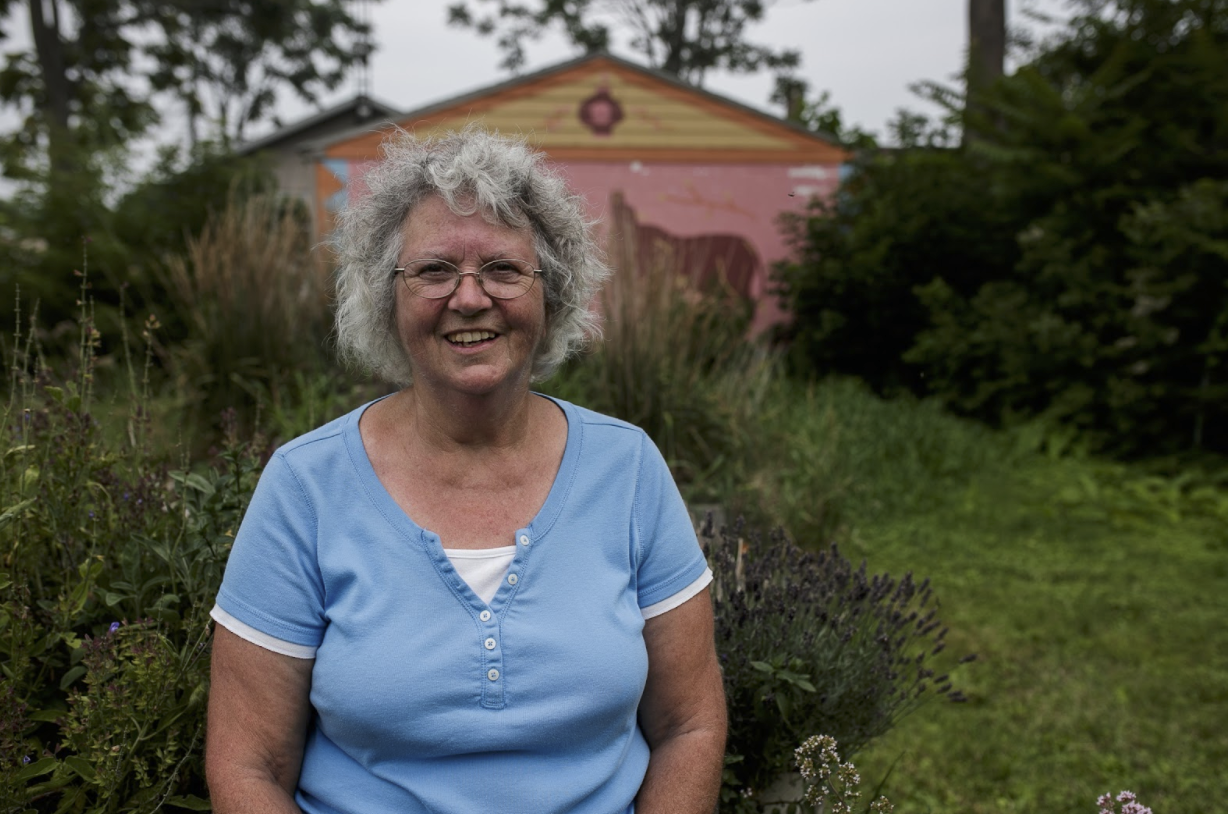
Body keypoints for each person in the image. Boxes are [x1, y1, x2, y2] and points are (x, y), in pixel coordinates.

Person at [205, 128, 727, 814]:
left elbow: (689, 724)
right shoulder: (306, 486)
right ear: (386, 295)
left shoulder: (627, 468)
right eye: (434, 271)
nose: (471, 297)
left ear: (553, 291)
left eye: (505, 270)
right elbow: (249, 765)